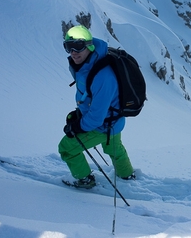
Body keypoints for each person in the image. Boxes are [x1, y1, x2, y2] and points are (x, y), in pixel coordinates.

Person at [58, 25, 135, 189]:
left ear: (89, 45)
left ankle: (85, 181)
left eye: (78, 46)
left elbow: (96, 117)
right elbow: (89, 97)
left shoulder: (102, 75)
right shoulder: (88, 63)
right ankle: (127, 175)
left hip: (103, 125)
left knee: (66, 147)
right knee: (114, 148)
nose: (73, 52)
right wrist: (79, 112)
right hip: (115, 120)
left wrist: (77, 126)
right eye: (68, 47)